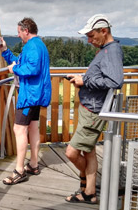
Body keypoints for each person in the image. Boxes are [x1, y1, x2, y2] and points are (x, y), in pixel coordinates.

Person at [65, 14, 124, 204]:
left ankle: (88, 182)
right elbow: (102, 76)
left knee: (71, 153)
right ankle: (89, 192)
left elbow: (115, 81)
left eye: (92, 36)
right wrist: (84, 79)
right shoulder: (105, 49)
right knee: (88, 151)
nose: (89, 41)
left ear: (104, 31)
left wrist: (86, 80)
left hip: (93, 112)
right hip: (90, 107)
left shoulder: (111, 51)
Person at [0, 17, 52, 185]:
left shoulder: (32, 46)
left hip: (30, 96)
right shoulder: (37, 45)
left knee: (19, 129)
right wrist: (5, 51)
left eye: (19, 32)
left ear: (26, 31)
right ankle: (33, 165)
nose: (18, 35)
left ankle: (19, 170)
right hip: (36, 94)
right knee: (33, 128)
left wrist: (15, 69)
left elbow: (30, 68)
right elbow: (20, 62)